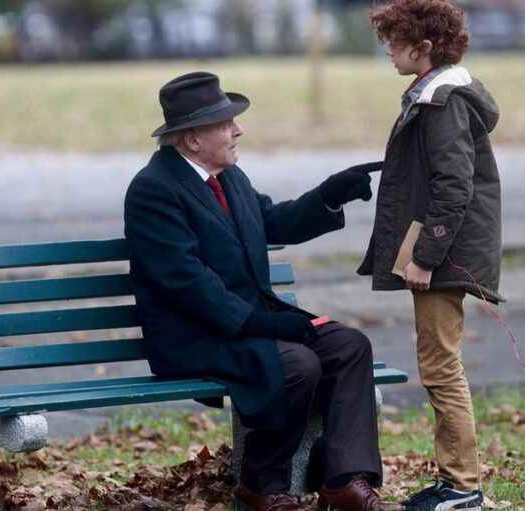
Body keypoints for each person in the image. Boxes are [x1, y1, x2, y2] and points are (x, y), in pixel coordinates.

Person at [124, 71, 395, 511]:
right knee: (296, 363)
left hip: (249, 324)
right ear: (192, 138)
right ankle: (261, 485)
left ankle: (344, 481)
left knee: (348, 345)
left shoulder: (230, 178)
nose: (237, 130)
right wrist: (264, 323)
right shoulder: (154, 190)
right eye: (225, 123)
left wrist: (330, 194)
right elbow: (186, 280)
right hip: (195, 337)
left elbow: (272, 221)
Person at [358, 1, 506, 510]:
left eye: (393, 41)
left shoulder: (443, 102)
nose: (387, 50)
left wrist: (423, 256)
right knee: (439, 363)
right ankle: (454, 483)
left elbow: (454, 187)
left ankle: (463, 488)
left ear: (422, 49)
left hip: (444, 254)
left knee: (441, 367)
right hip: (442, 250)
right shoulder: (432, 94)